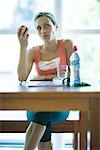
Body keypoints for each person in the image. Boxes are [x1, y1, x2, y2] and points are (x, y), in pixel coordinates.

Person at [17, 12, 73, 150]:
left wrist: (43, 77)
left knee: (42, 115)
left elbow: (72, 76)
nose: (43, 31)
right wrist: (23, 46)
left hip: (61, 104)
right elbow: (22, 77)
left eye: (47, 26)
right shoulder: (33, 51)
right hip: (37, 103)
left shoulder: (66, 45)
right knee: (41, 114)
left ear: (56, 27)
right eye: (39, 28)